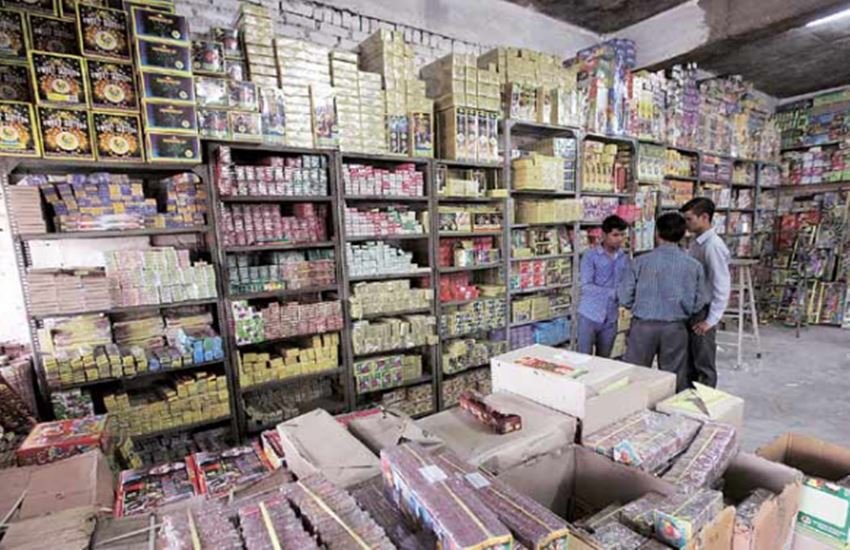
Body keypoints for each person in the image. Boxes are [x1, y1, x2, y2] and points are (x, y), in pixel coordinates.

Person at [618, 212, 706, 391]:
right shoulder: (694, 266)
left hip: (643, 326)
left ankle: (635, 405)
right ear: (683, 235)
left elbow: (625, 296)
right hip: (676, 327)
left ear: (657, 233)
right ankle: (670, 406)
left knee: (636, 375)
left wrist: (638, 305)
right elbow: (699, 302)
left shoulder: (639, 262)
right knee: (673, 377)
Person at [680, 197, 731, 388]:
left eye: (689, 219)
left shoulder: (713, 246)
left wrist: (711, 320)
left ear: (704, 217)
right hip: (694, 308)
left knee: (703, 362)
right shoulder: (697, 242)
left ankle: (706, 400)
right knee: (690, 362)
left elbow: (721, 284)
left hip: (704, 311)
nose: (686, 224)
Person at [577, 215, 631, 357]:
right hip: (590, 314)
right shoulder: (590, 256)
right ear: (604, 235)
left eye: (622, 235)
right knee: (583, 359)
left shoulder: (624, 257)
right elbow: (586, 286)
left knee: (604, 360)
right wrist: (613, 293)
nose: (620, 239)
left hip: (611, 317)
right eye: (615, 235)